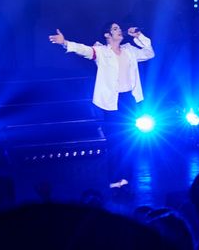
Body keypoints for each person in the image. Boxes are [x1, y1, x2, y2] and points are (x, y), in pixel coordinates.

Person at [49, 22, 154, 188]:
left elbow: (149, 53)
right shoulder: (102, 52)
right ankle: (114, 180)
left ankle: (127, 177)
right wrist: (64, 42)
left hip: (129, 100)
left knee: (129, 140)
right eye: (114, 29)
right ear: (107, 35)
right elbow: (84, 50)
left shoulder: (129, 50)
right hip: (112, 101)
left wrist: (138, 36)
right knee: (114, 141)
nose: (119, 30)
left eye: (119, 28)